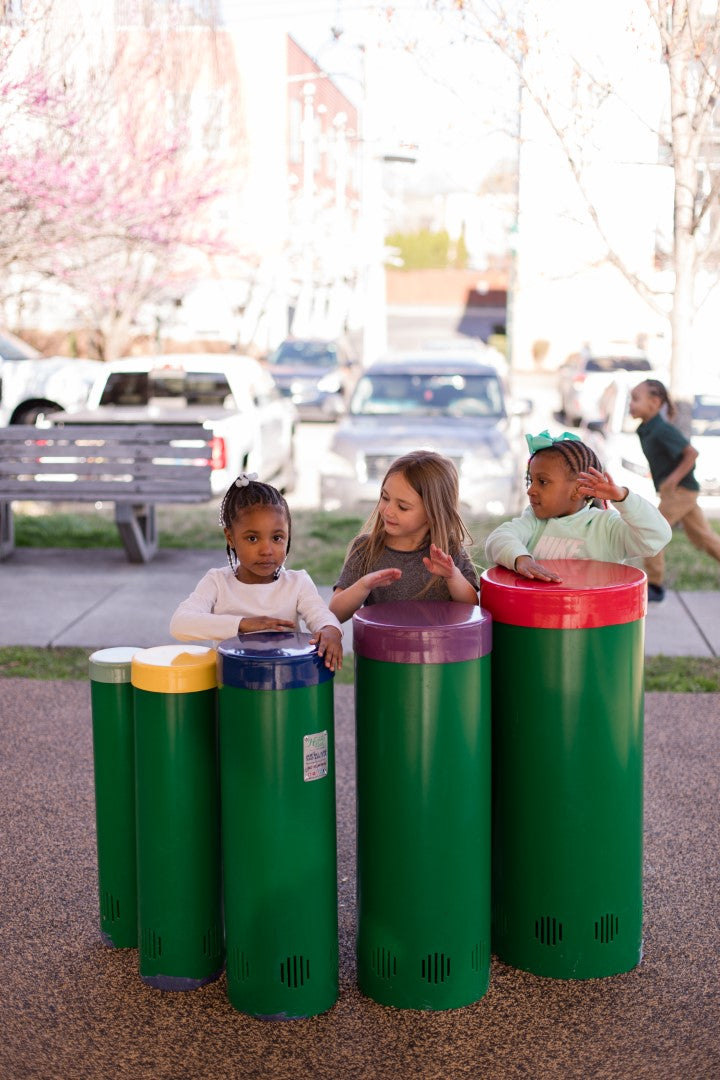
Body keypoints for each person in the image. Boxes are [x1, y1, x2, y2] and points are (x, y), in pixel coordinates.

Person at [170, 473, 343, 670]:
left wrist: (330, 629)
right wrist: (243, 624)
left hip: (285, 687)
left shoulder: (298, 583)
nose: (266, 550)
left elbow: (319, 614)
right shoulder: (217, 582)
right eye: (252, 538)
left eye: (277, 538)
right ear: (230, 537)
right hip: (232, 688)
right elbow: (179, 623)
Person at [484, 430, 671, 582]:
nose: (530, 490)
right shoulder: (533, 520)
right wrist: (521, 559)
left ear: (579, 489)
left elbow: (657, 537)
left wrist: (623, 498)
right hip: (540, 620)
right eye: (530, 480)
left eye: (542, 481)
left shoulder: (606, 526)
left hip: (593, 622)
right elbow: (498, 538)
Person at [329, 449, 479, 623]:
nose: (388, 510)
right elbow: (335, 613)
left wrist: (453, 576)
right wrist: (364, 585)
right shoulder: (366, 549)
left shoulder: (448, 550)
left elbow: (471, 608)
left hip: (439, 649)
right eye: (385, 498)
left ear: (433, 513)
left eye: (402, 507)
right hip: (381, 648)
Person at [629, 378, 720, 602]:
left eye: (635, 399)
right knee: (703, 537)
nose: (630, 404)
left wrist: (672, 479)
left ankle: (655, 585)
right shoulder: (646, 429)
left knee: (653, 529)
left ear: (654, 402)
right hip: (680, 492)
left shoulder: (661, 429)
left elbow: (691, 453)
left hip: (680, 491)